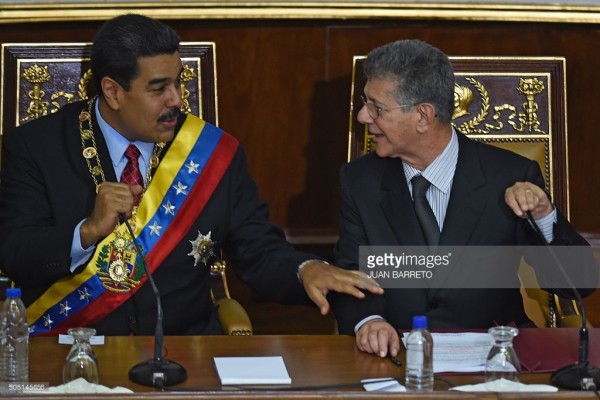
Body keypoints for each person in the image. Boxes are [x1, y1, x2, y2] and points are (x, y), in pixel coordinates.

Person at [0, 14, 382, 336]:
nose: (176, 101)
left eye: (177, 82)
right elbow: (16, 253)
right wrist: (86, 232)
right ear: (113, 92)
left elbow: (258, 249)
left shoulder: (213, 152)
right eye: (158, 88)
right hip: (73, 348)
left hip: (186, 351)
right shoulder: (36, 147)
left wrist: (305, 269)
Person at [330, 39, 597, 359]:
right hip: (396, 354)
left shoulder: (510, 176)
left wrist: (543, 215)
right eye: (365, 103)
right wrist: (369, 321)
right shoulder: (360, 181)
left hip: (497, 354)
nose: (363, 116)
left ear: (423, 116)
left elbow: (576, 285)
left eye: (377, 107)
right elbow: (349, 273)